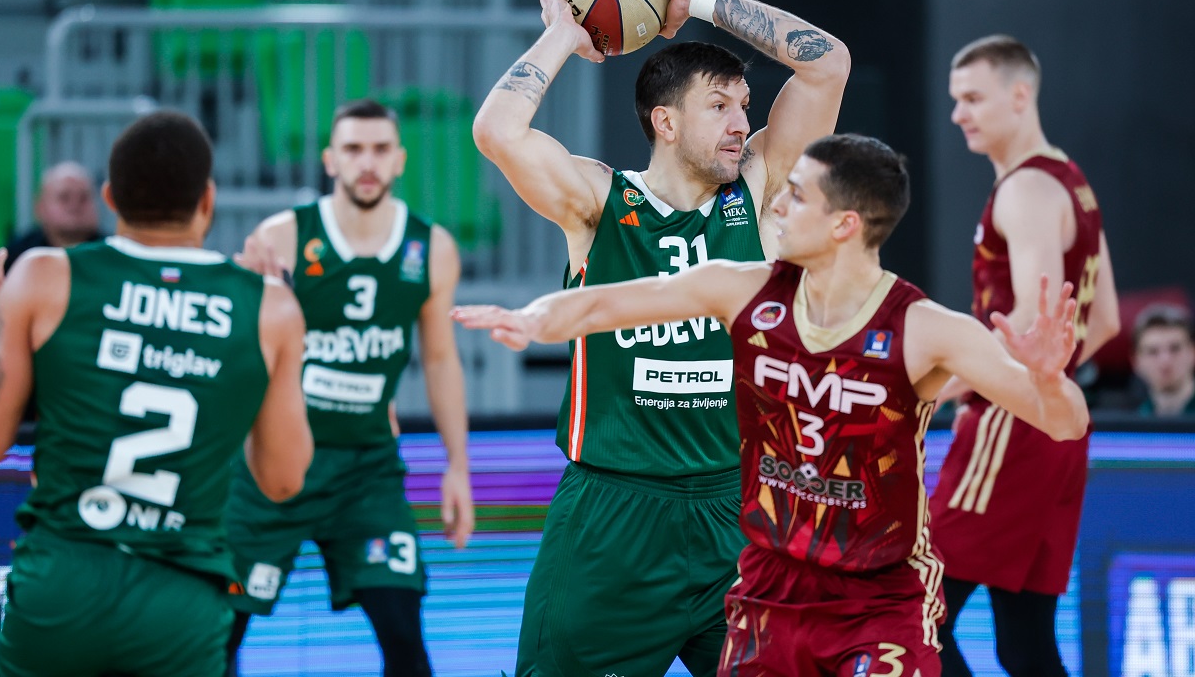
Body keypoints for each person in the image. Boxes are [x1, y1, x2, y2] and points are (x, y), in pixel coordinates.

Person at [453, 133, 1092, 676]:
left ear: (844, 225)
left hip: (877, 599)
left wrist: (1048, 376)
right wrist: (533, 318)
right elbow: (605, 302)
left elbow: (1066, 423)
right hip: (768, 591)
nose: (777, 203)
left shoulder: (927, 329)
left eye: (798, 196)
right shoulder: (743, 289)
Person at [471, 0, 850, 677]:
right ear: (665, 122)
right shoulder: (597, 201)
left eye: (744, 104)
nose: (742, 121)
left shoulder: (763, 191)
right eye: (719, 105)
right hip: (613, 517)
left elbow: (825, 62)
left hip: (734, 514)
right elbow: (497, 131)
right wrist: (560, 35)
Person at [0, 111, 313, 677]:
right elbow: (283, 481)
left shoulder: (41, 275)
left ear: (111, 197)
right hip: (180, 593)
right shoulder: (269, 307)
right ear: (208, 200)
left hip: (61, 577)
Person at [224, 98, 475, 677]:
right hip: (272, 468)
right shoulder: (282, 238)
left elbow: (440, 360)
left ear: (400, 160)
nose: (368, 162)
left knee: (406, 642)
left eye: (380, 149)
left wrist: (457, 465)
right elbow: (237, 361)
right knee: (217, 636)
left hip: (366, 471)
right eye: (354, 149)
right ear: (330, 160)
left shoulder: (430, 248)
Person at [929, 35, 1121, 676]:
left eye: (974, 97)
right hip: (1056, 429)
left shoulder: (1025, 192)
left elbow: (1032, 332)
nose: (959, 113)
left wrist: (936, 388)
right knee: (1024, 640)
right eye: (956, 99)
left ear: (1020, 95)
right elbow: (1106, 322)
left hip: (1013, 424)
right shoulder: (1072, 181)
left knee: (918, 614)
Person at [3, 160, 102, 272]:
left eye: (83, 198)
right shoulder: (16, 257)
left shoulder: (112, 256)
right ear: (40, 206)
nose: (74, 205)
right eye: (64, 197)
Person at [1131, 303, 1195, 417]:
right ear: (1136, 361)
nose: (1165, 361)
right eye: (1153, 351)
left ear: (1192, 353)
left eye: (1175, 349)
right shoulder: (1130, 425)